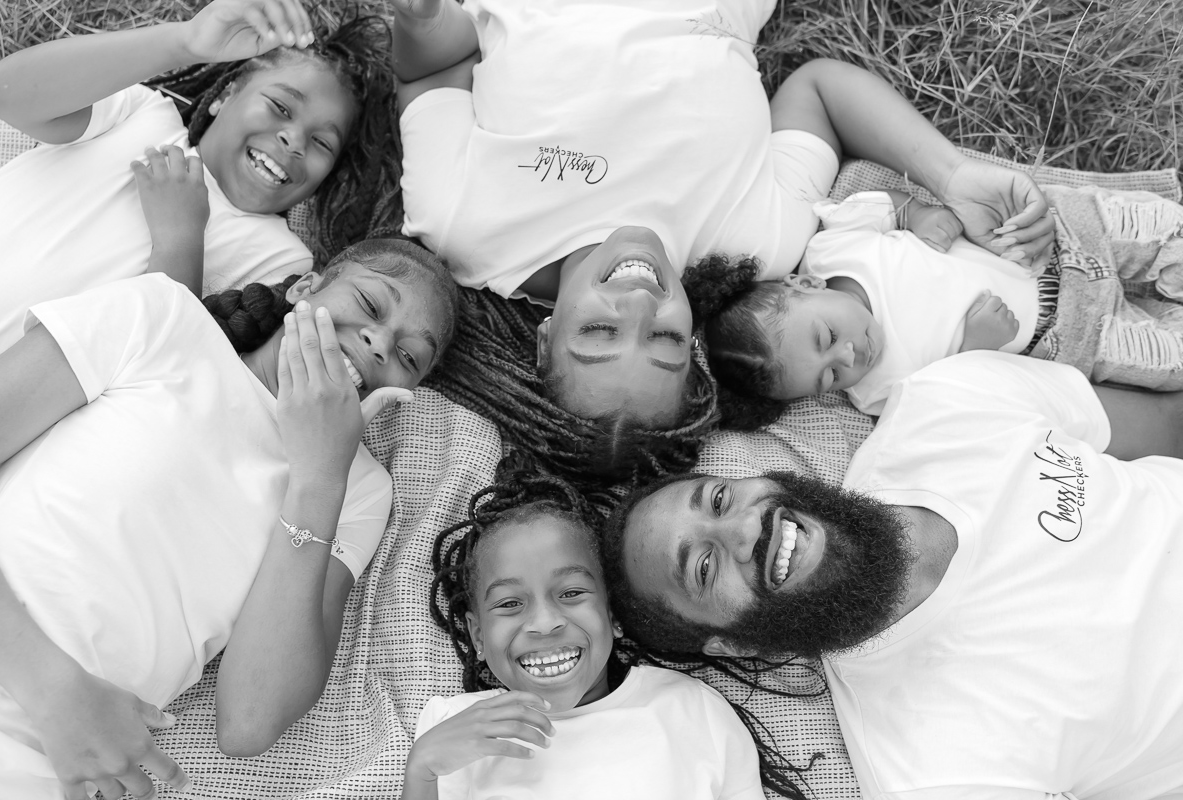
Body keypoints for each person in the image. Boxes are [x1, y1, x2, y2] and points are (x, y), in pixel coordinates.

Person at [0, 186, 459, 800]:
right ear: (304, 288)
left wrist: (318, 476)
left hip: (52, 775)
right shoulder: (163, 319)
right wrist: (50, 688)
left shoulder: (358, 489)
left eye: (408, 356)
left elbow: (249, 720)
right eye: (369, 304)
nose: (378, 343)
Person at [389, 0, 1055, 432]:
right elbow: (816, 91)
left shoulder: (462, 227)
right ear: (694, 344)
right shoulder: (756, 245)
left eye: (599, 332)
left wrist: (419, 21)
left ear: (544, 338)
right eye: (667, 342)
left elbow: (437, 65)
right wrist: (952, 173)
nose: (640, 306)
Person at [600, 350, 1183, 799]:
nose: (745, 532)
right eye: (704, 567)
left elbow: (1166, 421)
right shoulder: (933, 773)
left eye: (721, 499)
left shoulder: (947, 405)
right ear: (735, 643)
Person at [0, 0, 393, 356]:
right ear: (224, 95)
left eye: (322, 143)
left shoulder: (280, 260)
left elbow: (167, 361)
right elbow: (5, 93)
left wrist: (180, 238)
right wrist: (186, 41)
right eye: (281, 107)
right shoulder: (142, 114)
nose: (294, 139)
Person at [411, 471, 806, 800]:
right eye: (510, 604)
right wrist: (422, 771)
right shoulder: (449, 729)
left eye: (571, 594)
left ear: (614, 615)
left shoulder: (690, 709)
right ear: (477, 635)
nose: (545, 623)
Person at [688, 186, 1183, 425]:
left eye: (826, 338)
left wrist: (917, 213)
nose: (848, 358)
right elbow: (951, 403)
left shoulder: (837, 249)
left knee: (1163, 231)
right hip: (1069, 336)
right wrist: (973, 348)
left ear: (803, 284)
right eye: (829, 378)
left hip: (1055, 243)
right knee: (1170, 358)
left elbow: (885, 203)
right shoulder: (877, 393)